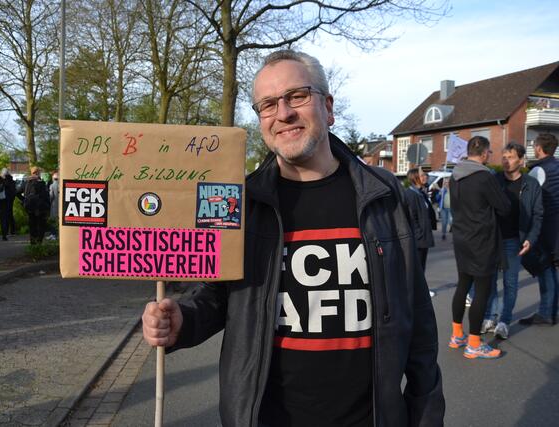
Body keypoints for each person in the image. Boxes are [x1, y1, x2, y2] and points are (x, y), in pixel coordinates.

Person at [142, 50, 444, 426]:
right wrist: (182, 320)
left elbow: (417, 319)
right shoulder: (237, 201)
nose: (283, 113)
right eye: (268, 105)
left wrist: (426, 415)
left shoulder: (384, 195)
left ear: (328, 107)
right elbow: (217, 295)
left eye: (297, 96)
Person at [448, 136, 510, 359]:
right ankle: (474, 344)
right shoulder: (484, 176)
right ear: (484, 153)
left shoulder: (454, 176)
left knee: (463, 285)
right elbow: (504, 207)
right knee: (482, 291)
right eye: (489, 152)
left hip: (461, 238)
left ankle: (457, 335)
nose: (489, 156)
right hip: (481, 240)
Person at [481, 143, 543, 339]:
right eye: (504, 157)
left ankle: (504, 321)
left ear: (521, 160)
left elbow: (538, 215)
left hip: (515, 240)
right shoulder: (494, 180)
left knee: (510, 283)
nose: (506, 161)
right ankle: (490, 317)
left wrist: (531, 239)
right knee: (490, 281)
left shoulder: (531, 184)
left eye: (511, 157)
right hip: (493, 238)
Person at [521, 133, 559, 325]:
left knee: (545, 268)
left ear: (538, 148)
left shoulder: (538, 170)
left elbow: (528, 201)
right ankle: (552, 310)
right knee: (553, 269)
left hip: (545, 227)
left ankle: (545, 313)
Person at [405, 167, 437, 298]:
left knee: (421, 266)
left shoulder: (420, 193)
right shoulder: (411, 194)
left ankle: (420, 291)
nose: (426, 177)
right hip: (418, 238)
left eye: (426, 175)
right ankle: (416, 293)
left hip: (423, 237)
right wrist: (419, 234)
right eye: (422, 175)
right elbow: (412, 217)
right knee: (416, 267)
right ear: (415, 178)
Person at [23, 166, 50, 244]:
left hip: (30, 207)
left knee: (32, 224)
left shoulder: (26, 183)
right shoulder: (41, 183)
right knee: (41, 225)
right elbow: (45, 196)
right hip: (40, 207)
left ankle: (32, 242)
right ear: (38, 172)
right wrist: (47, 205)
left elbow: (18, 192)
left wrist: (24, 200)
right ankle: (39, 242)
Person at [1, 168, 17, 235]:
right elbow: (14, 191)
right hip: (11, 199)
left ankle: (6, 231)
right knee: (10, 214)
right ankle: (12, 231)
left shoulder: (2, 180)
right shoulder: (12, 181)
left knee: (5, 215)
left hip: (4, 199)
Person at [48, 171, 59, 240]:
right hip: (60, 206)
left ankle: (53, 235)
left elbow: (51, 196)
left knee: (53, 220)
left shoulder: (52, 186)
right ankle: (57, 235)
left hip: (54, 205)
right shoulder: (61, 184)